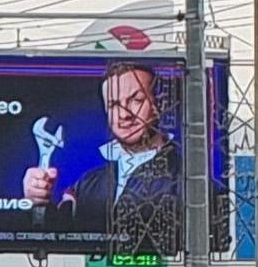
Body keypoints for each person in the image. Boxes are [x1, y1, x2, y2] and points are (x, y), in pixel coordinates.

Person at [23, 63, 192, 249]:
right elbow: (58, 238)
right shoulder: (88, 184)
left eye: (136, 100)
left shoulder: (190, 182)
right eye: (114, 105)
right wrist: (38, 204)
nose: (123, 115)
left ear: (158, 104)